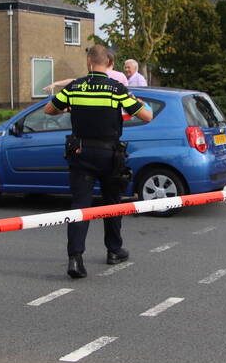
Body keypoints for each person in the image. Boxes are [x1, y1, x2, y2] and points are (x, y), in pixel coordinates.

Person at [44, 44, 153, 279]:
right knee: (112, 202)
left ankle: (75, 258)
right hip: (108, 155)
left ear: (88, 63)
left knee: (79, 206)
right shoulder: (116, 88)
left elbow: (48, 109)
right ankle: (114, 250)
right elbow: (146, 115)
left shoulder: (75, 86)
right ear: (111, 64)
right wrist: (140, 102)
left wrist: (69, 108)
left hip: (80, 153)